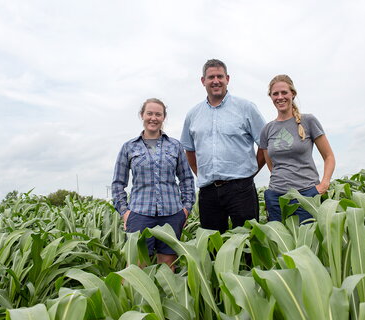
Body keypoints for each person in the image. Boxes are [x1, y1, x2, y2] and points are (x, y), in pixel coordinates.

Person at [180, 59, 266, 233]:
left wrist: (250, 172)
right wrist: (202, 174)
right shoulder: (193, 114)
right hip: (208, 192)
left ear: (227, 78)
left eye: (220, 76)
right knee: (213, 247)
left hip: (241, 189)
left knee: (248, 243)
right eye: (211, 77)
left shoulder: (246, 108)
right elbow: (189, 150)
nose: (216, 81)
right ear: (203, 81)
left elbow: (264, 144)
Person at [112, 98, 195, 270]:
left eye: (158, 114)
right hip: (140, 214)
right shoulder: (129, 147)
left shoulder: (175, 146)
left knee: (167, 267)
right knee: (137, 266)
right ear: (142, 115)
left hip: (171, 213)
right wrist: (125, 212)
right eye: (149, 113)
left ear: (164, 117)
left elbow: (186, 179)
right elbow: (118, 184)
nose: (153, 118)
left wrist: (186, 208)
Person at [259, 75, 335, 223]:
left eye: (284, 92)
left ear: (293, 94)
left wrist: (324, 184)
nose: (280, 97)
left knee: (309, 242)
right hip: (276, 197)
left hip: (307, 194)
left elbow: (329, 157)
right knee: (280, 244)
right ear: (271, 97)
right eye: (275, 94)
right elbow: (271, 166)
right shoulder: (267, 130)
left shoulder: (308, 121)